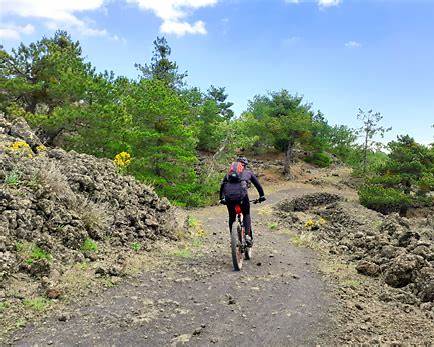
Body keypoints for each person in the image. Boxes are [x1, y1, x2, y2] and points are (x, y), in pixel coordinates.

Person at [219, 157, 266, 246]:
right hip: (242, 198)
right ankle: (247, 236)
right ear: (244, 165)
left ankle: (233, 240)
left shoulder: (228, 174)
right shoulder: (248, 172)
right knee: (246, 214)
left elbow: (222, 186)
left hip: (229, 198)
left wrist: (221, 198)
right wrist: (262, 196)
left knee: (232, 217)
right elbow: (258, 185)